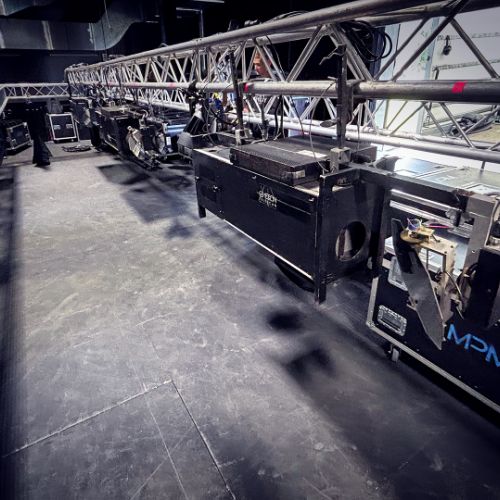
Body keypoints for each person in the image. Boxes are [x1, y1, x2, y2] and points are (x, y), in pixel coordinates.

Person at [25, 101, 51, 167]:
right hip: (36, 119)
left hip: (37, 119)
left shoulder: (37, 107)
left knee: (38, 139)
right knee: (38, 139)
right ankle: (42, 158)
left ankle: (42, 158)